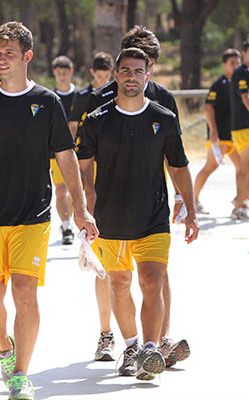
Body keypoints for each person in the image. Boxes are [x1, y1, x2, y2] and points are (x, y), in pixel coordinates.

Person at [0, 22, 98, 400]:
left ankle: (21, 376)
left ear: (27, 56)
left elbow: (65, 156)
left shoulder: (47, 102)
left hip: (33, 214)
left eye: (9, 52)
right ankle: (5, 348)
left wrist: (81, 209)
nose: (1, 58)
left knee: (25, 292)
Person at [77, 47, 200, 381]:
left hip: (153, 218)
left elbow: (179, 166)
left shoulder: (164, 118)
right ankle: (131, 345)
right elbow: (82, 165)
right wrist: (83, 205)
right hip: (110, 219)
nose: (131, 76)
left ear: (148, 75)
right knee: (120, 283)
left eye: (138, 71)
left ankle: (149, 349)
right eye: (125, 70)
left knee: (152, 280)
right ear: (116, 75)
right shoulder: (97, 120)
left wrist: (190, 209)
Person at [193, 49, 242, 214]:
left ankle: (240, 202)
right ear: (224, 65)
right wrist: (213, 131)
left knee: (243, 168)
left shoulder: (240, 83)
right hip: (220, 135)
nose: (235, 66)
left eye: (238, 62)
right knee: (210, 167)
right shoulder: (219, 85)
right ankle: (193, 201)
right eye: (232, 63)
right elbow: (208, 107)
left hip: (235, 135)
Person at [51, 56, 78, 245]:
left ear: (71, 72)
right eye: (58, 73)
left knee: (73, 190)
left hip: (77, 151)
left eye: (65, 73)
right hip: (54, 151)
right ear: (54, 74)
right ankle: (66, 226)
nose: (62, 77)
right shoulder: (50, 97)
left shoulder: (80, 96)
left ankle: (71, 221)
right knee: (60, 190)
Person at [69, 52, 114, 137]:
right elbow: (74, 123)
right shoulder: (82, 95)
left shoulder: (116, 92)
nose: (103, 80)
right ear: (92, 72)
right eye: (100, 76)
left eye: (107, 76)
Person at [230, 39, 249, 219]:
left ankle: (240, 201)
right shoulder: (241, 73)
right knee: (245, 168)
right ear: (244, 53)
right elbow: (246, 99)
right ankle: (239, 205)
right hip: (243, 127)